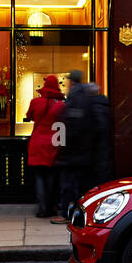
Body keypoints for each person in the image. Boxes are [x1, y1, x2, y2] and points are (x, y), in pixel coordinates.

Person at [50, 70, 93, 225]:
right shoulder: (84, 96)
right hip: (80, 151)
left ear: (72, 81)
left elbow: (73, 126)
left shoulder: (76, 97)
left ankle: (66, 214)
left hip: (73, 153)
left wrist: (64, 147)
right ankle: (75, 213)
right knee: (76, 185)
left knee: (69, 185)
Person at [24, 74, 65, 219]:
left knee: (39, 176)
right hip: (54, 142)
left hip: (37, 142)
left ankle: (42, 208)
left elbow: (29, 116)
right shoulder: (61, 105)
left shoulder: (35, 101)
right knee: (52, 176)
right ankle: (51, 206)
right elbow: (63, 125)